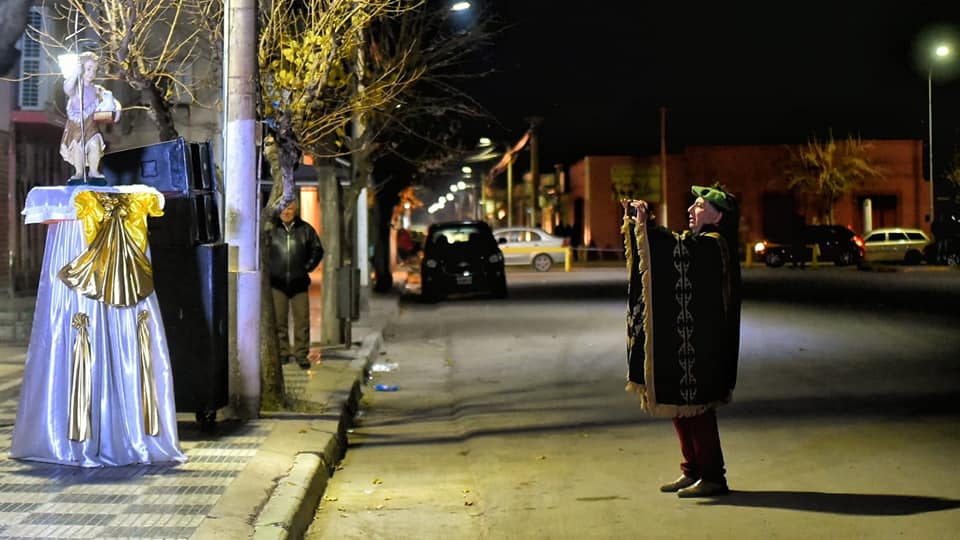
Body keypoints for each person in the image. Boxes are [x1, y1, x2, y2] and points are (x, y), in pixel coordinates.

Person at [621, 184, 742, 498]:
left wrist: (647, 226)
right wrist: (641, 225)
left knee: (697, 407)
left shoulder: (715, 244)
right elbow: (676, 247)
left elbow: (679, 251)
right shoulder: (702, 242)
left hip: (705, 341)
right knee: (681, 402)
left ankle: (713, 476)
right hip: (691, 336)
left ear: (718, 215)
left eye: (699, 206)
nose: (690, 210)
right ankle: (693, 470)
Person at [268, 200, 324, 370]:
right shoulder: (271, 230)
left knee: (302, 321)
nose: (286, 212)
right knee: (279, 321)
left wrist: (307, 267)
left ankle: (301, 354)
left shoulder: (306, 230)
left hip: (299, 282)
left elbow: (317, 250)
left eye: (290, 208)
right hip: (277, 283)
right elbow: (261, 251)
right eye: (284, 209)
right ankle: (282, 353)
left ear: (296, 210)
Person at [60, 52, 122, 184]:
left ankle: (94, 172)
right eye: (88, 69)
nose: (91, 73)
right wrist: (75, 73)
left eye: (94, 70)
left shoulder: (97, 89)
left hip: (92, 124)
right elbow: (67, 87)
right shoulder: (76, 88)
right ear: (81, 68)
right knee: (78, 148)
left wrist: (117, 109)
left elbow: (110, 100)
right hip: (77, 125)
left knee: (94, 145)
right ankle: (79, 173)